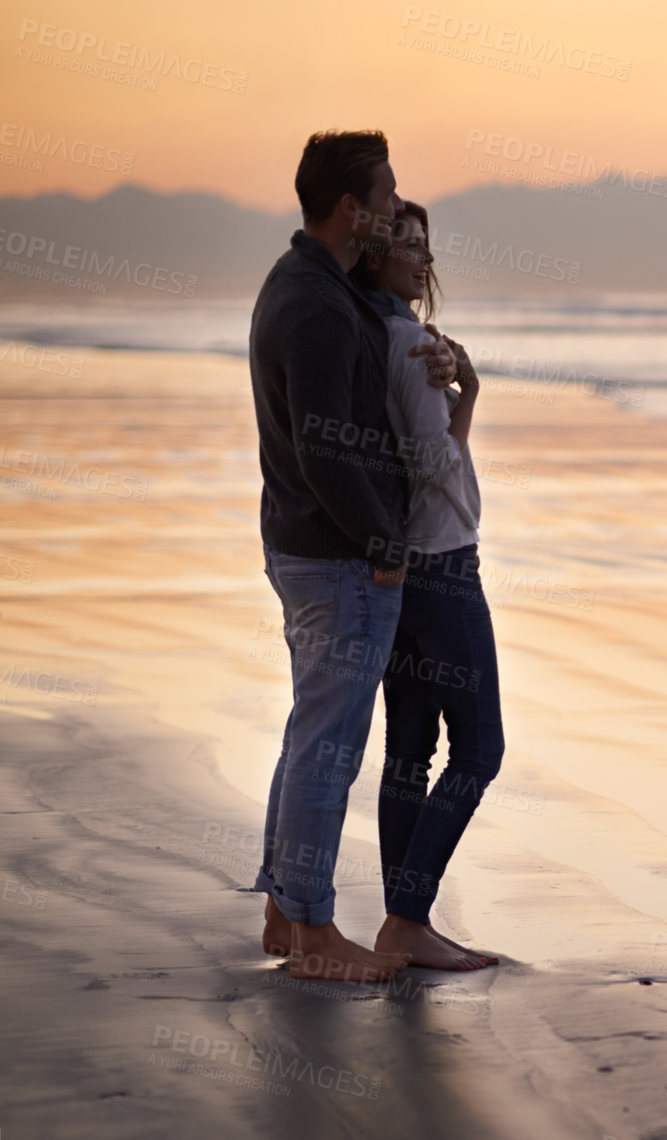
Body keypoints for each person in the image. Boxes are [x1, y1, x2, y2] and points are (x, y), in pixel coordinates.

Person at [248, 130, 457, 983]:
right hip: (336, 557)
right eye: (386, 196)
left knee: (312, 734)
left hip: (304, 546)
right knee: (330, 742)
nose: (394, 210)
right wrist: (383, 548)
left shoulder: (304, 285)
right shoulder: (317, 303)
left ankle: (282, 912)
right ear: (352, 208)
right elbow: (326, 448)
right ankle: (313, 936)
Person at [348, 202, 503, 971]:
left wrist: (460, 392)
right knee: (478, 750)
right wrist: (464, 396)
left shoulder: (374, 335)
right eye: (402, 243)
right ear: (372, 255)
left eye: (424, 243)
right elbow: (434, 465)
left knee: (409, 749)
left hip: (401, 568)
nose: (418, 255)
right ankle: (407, 919)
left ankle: (401, 922)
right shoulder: (411, 345)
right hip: (443, 566)